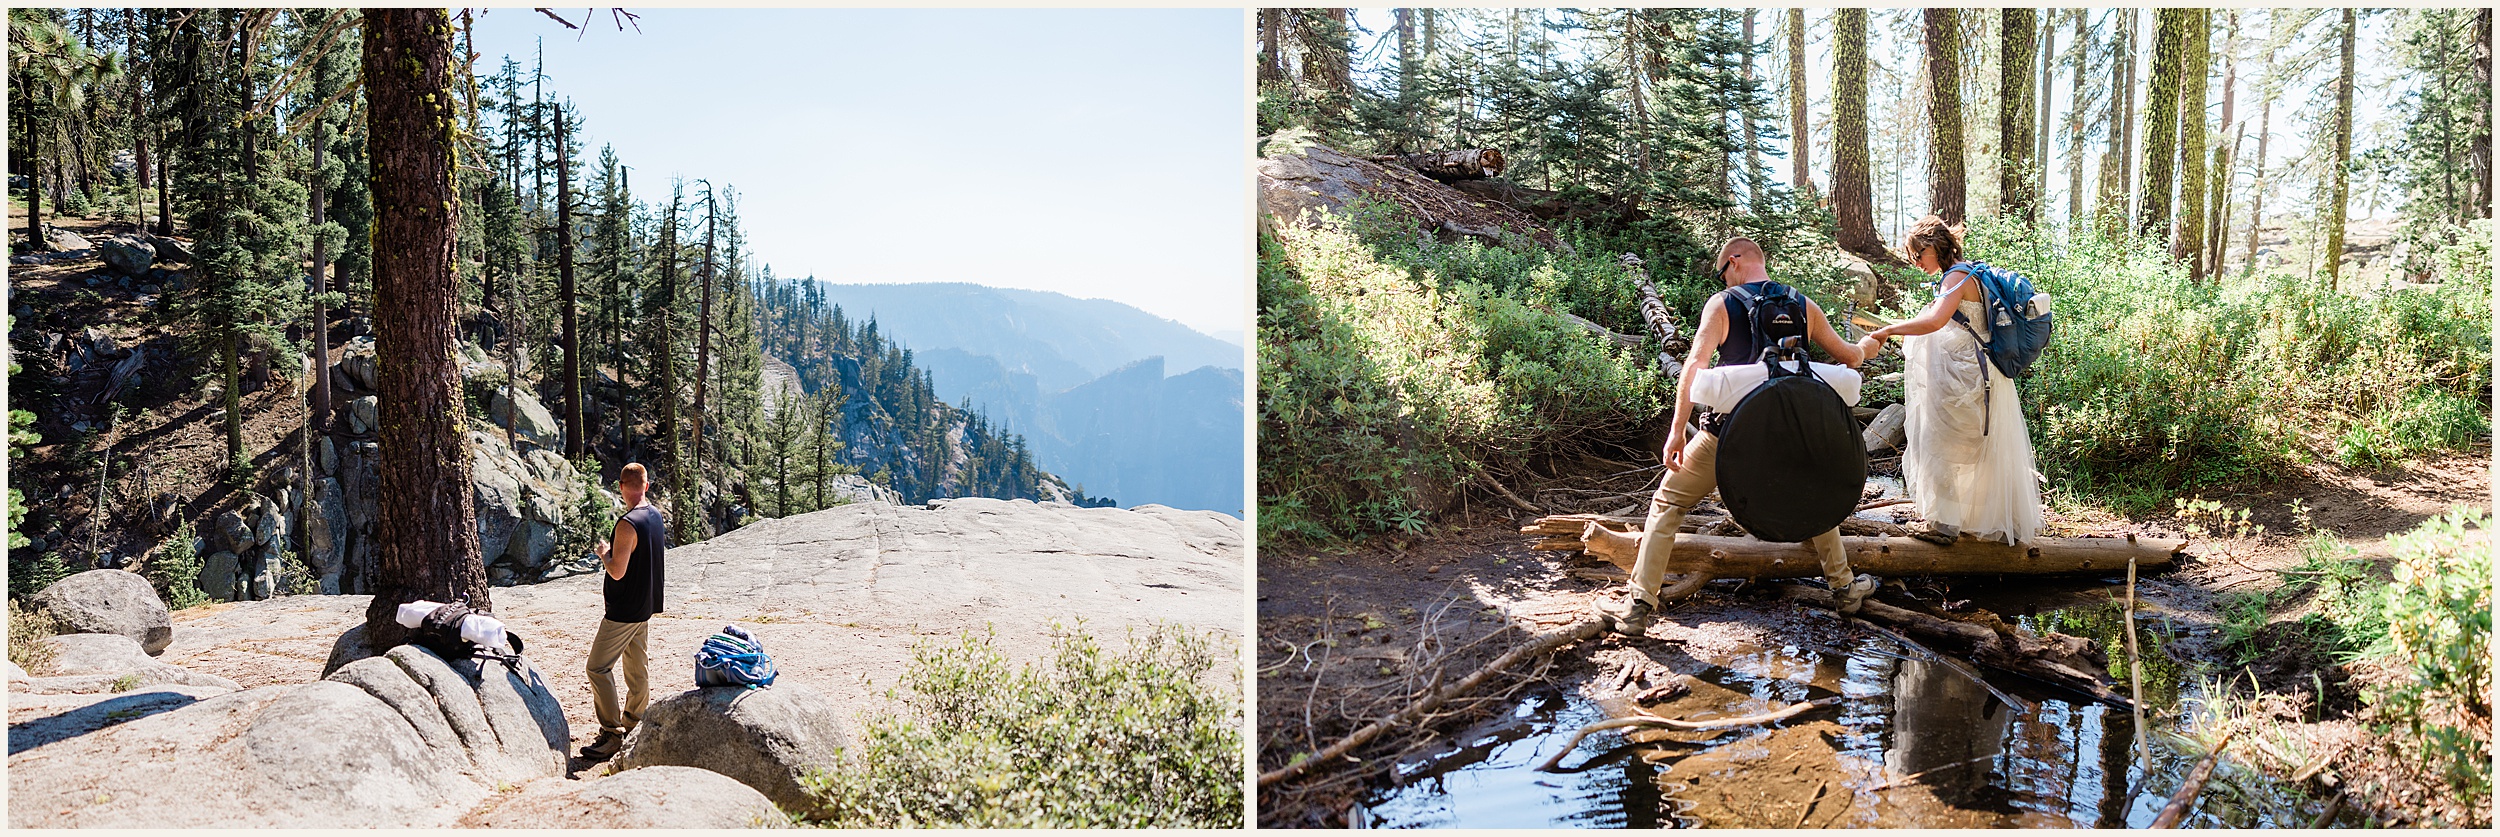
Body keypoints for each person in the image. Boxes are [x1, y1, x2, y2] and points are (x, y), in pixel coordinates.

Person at [1595, 237, 1880, 635]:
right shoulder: (1801, 305)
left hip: (1726, 435)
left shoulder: (1722, 305)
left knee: (1668, 502)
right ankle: (1845, 588)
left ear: (1734, 262)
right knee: (1813, 494)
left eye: (1721, 272)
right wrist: (1866, 346)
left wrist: (1677, 432)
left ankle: (1638, 607)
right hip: (1788, 439)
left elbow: (1694, 368)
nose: (1722, 280)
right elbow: (1850, 358)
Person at [1861, 215, 2043, 546]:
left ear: (1932, 246)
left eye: (1918, 254)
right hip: (1981, 375)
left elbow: (1935, 321)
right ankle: (1987, 521)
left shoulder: (1957, 276)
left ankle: (1944, 524)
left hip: (1968, 379)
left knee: (1940, 441)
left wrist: (1889, 329)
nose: (1917, 263)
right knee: (1980, 447)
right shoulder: (1971, 272)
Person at [582, 462, 666, 761]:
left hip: (624, 609)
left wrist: (604, 553)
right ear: (646, 485)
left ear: (621, 487)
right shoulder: (654, 515)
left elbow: (617, 571)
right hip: (645, 604)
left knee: (597, 668)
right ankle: (635, 722)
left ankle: (611, 734)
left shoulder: (627, 524)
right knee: (636, 666)